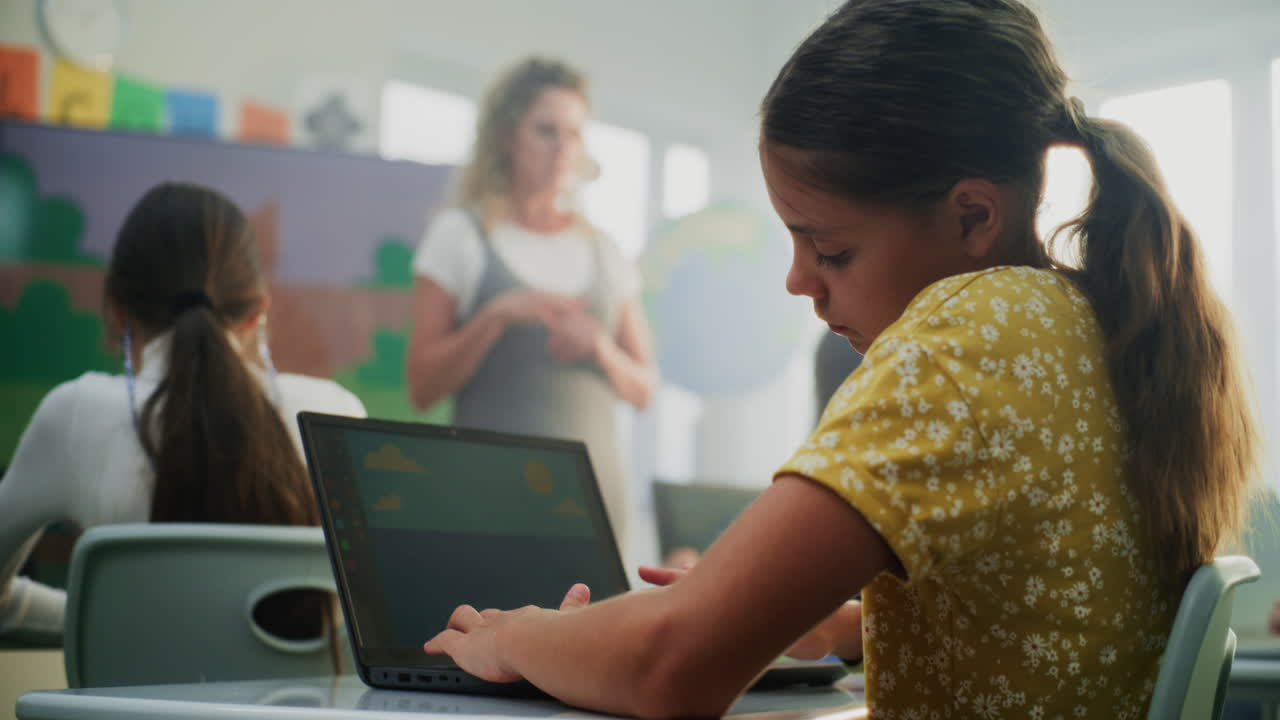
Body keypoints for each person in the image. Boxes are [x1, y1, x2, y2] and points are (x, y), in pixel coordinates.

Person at [418, 2, 1260, 717]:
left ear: (973, 217)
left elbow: (667, 667)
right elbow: (1057, 613)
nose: (799, 283)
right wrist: (844, 622)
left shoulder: (968, 338)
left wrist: (515, 635)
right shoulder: (1087, 319)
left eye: (829, 249)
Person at [0, 182, 367, 639]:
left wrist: (102, 619)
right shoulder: (334, 413)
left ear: (117, 310)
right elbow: (371, 614)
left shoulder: (74, 415)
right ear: (258, 312)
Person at [405, 57, 657, 557]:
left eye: (574, 134)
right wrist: (496, 316)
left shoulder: (606, 251)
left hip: (596, 509)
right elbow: (422, 387)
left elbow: (646, 388)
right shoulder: (459, 236)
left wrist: (600, 348)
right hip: (488, 510)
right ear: (506, 136)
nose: (563, 149)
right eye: (546, 131)